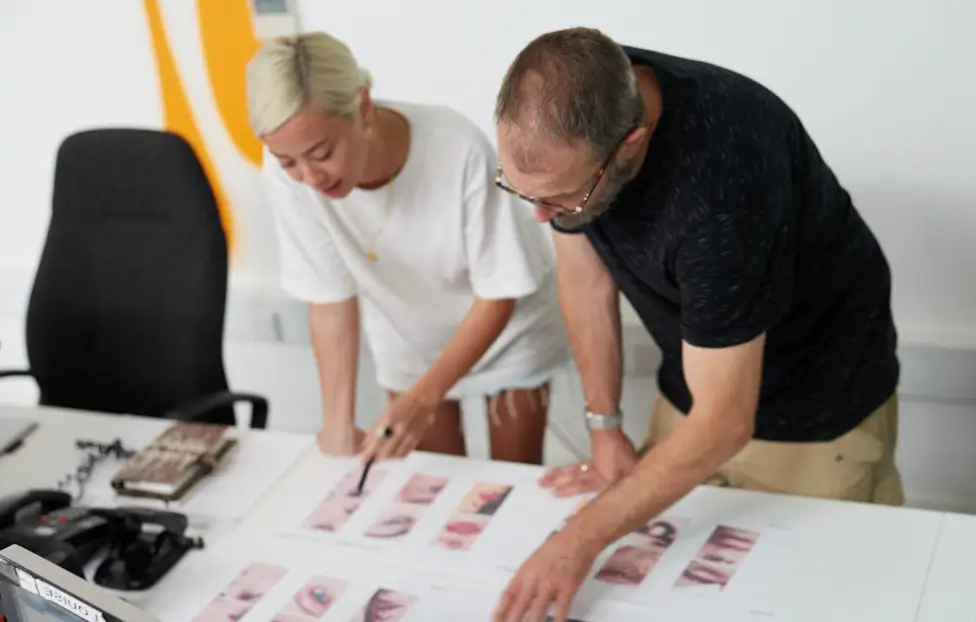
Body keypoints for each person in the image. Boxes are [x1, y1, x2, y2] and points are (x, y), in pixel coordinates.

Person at [488, 27, 903, 621]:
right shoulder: (585, 103)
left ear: (630, 142)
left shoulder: (722, 187)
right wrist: (604, 429)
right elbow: (584, 275)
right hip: (699, 379)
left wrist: (575, 542)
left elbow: (725, 423)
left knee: (818, 599)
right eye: (519, 189)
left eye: (560, 198)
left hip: (817, 404)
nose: (538, 214)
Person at [245, 32, 569, 466]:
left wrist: (424, 397)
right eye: (289, 162)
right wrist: (337, 424)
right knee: (433, 484)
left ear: (362, 108)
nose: (309, 176)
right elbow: (329, 297)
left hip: (506, 334)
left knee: (506, 485)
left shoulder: (458, 150)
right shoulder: (289, 175)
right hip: (408, 341)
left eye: (322, 153)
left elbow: (499, 293)